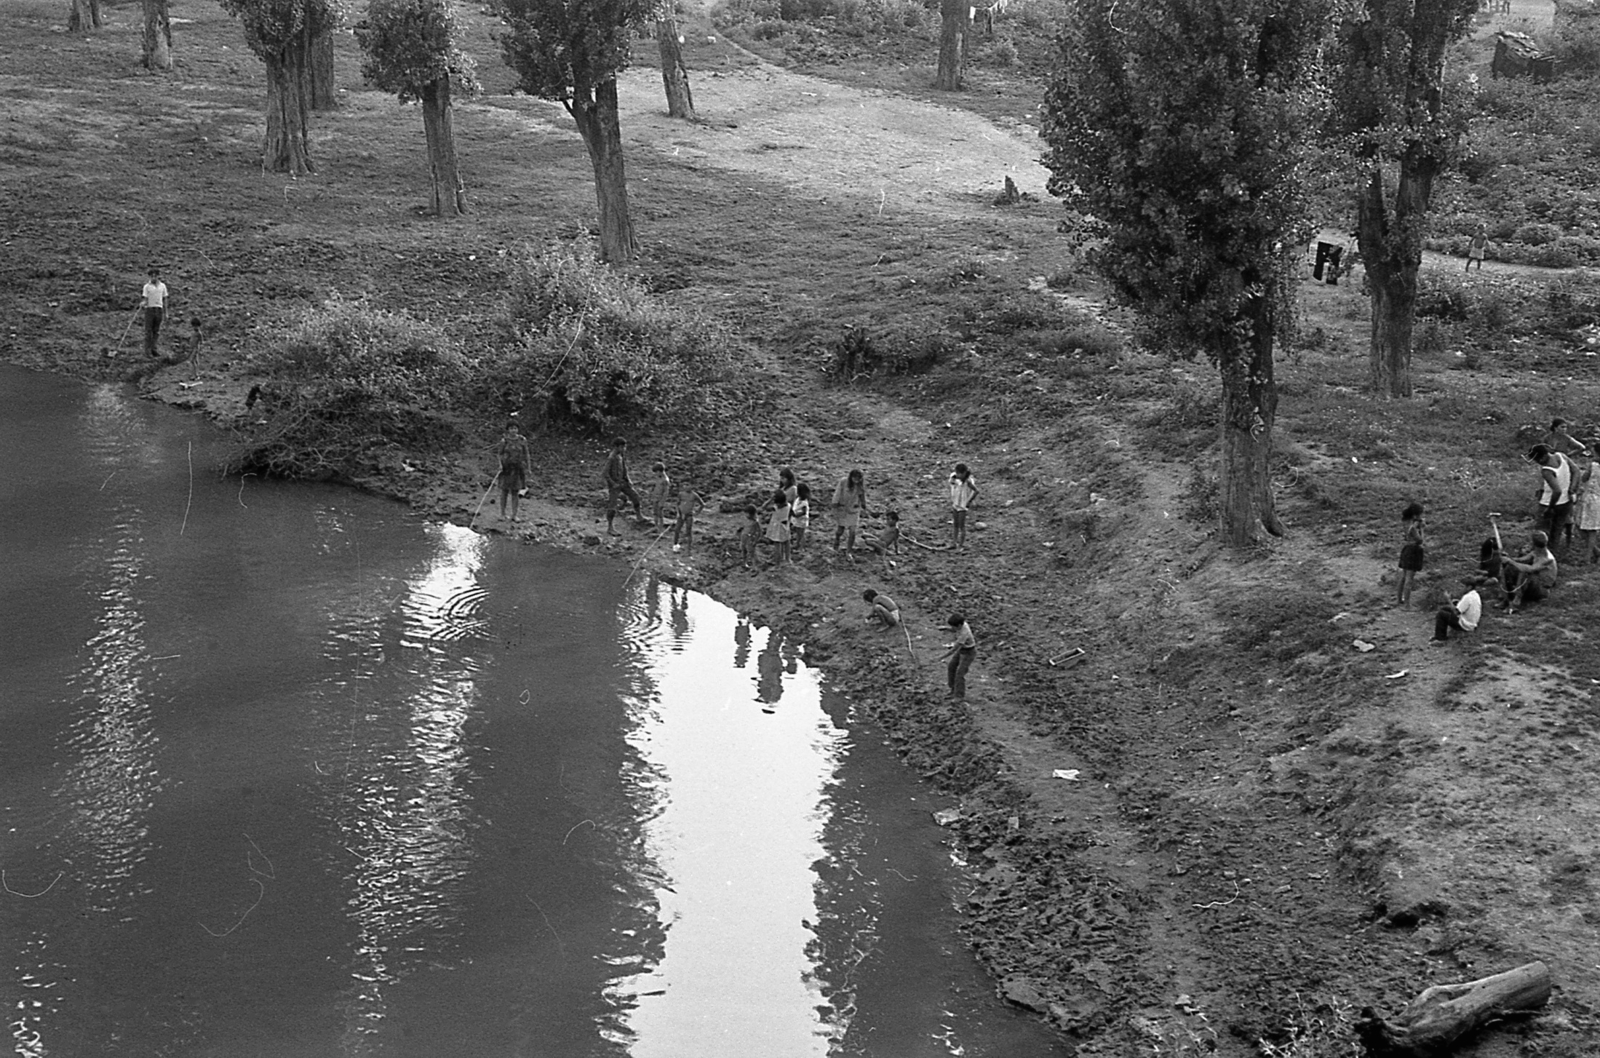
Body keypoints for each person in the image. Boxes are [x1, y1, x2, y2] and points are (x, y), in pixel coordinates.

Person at [1500, 530, 1558, 613]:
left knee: (1526, 572)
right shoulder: (1535, 552)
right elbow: (1521, 560)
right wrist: (1508, 558)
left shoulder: (1547, 559)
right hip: (1533, 585)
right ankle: (1507, 598)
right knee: (1510, 568)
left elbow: (1531, 569)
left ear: (1534, 544)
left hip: (1541, 590)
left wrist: (1510, 561)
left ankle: (1515, 603)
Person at [1530, 444, 1575, 551]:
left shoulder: (1547, 470)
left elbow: (1557, 491)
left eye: (1538, 459)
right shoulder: (1562, 456)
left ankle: (1538, 555)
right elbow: (1576, 471)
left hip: (1548, 503)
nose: (1538, 462)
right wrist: (1572, 489)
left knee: (1541, 531)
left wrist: (1550, 508)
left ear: (1544, 456)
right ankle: (1552, 554)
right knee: (1557, 530)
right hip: (1566, 502)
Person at [603, 438, 644, 535]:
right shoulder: (611, 458)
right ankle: (610, 527)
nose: (624, 449)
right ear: (617, 447)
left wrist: (628, 479)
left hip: (623, 482)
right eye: (622, 447)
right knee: (612, 505)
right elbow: (605, 473)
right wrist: (613, 484)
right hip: (615, 485)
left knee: (635, 496)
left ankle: (639, 515)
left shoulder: (620, 455)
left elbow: (624, 468)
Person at [831, 469, 871, 559]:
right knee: (840, 530)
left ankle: (849, 551)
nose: (857, 480)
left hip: (853, 510)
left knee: (852, 531)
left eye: (859, 479)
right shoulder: (843, 482)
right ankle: (836, 541)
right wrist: (835, 504)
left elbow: (862, 497)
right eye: (855, 478)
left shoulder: (860, 486)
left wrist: (865, 508)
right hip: (842, 508)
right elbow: (837, 493)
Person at [1432, 578, 1485, 643]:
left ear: (1469, 587)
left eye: (1463, 586)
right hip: (1471, 622)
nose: (1461, 588)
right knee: (1445, 609)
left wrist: (1448, 600)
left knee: (1441, 614)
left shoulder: (1467, 597)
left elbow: (1456, 612)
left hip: (1465, 624)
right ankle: (1440, 634)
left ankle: (1440, 638)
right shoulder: (1475, 595)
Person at [496, 422, 531, 522]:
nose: (513, 430)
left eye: (515, 428)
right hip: (506, 469)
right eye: (511, 428)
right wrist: (500, 465)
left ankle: (514, 515)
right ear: (508, 430)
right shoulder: (504, 441)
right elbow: (499, 454)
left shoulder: (522, 440)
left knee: (515, 492)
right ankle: (502, 514)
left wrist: (528, 467)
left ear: (518, 429)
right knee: (504, 491)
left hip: (518, 469)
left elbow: (526, 454)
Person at [943, 613, 977, 700]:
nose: (953, 628)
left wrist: (942, 657)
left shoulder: (964, 634)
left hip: (968, 652)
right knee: (951, 667)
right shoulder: (962, 624)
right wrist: (946, 628)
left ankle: (959, 696)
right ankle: (953, 690)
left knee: (960, 674)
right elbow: (955, 629)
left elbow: (954, 649)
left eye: (954, 626)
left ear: (959, 625)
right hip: (962, 650)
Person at [1396, 502, 1425, 605]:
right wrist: (1421, 529)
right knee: (1409, 578)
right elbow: (1420, 540)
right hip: (1414, 550)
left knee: (1403, 576)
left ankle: (1399, 599)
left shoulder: (1405, 522)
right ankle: (1407, 604)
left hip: (1406, 548)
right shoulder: (1413, 526)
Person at [1578, 444, 1600, 564]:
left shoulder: (1593, 465)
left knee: (1586, 528)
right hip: (1597, 498)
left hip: (1590, 498)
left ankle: (1588, 557)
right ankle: (1595, 552)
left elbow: (1584, 478)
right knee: (1591, 528)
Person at [950, 463, 979, 550]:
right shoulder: (956, 479)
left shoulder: (968, 482)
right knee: (955, 524)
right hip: (955, 504)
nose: (958, 475)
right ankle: (954, 543)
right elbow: (952, 482)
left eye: (960, 474)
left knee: (961, 526)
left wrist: (969, 501)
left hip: (962, 506)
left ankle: (961, 545)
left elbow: (976, 491)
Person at [141, 266, 169, 358]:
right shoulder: (146, 287)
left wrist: (166, 312)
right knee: (148, 331)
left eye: (155, 276)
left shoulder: (163, 286)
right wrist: (143, 303)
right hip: (150, 309)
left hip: (159, 309)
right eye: (151, 276)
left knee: (156, 331)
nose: (153, 278)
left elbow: (165, 299)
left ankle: (154, 349)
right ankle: (147, 351)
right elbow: (145, 298)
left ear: (158, 276)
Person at [672, 481, 705, 554]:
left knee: (688, 531)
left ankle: (688, 549)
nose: (686, 487)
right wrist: (678, 512)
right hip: (681, 515)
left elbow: (702, 504)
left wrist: (697, 513)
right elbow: (677, 504)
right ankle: (675, 546)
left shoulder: (694, 495)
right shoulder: (681, 494)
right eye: (684, 485)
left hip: (689, 515)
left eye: (688, 485)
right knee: (677, 529)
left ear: (691, 486)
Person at [764, 488, 792, 566]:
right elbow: (791, 514)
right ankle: (787, 558)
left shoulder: (776, 508)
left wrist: (770, 499)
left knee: (777, 545)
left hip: (777, 527)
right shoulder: (788, 505)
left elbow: (764, 507)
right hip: (785, 525)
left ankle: (777, 563)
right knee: (787, 541)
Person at [649, 462, 672, 530]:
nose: (655, 474)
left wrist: (662, 501)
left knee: (660, 513)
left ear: (660, 471)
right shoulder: (658, 478)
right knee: (655, 512)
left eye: (656, 472)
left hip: (660, 498)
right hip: (655, 497)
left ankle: (661, 526)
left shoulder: (665, 480)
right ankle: (656, 526)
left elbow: (666, 492)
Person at [791, 483, 812, 553]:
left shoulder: (804, 502)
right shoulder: (798, 499)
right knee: (798, 533)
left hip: (801, 520)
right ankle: (797, 544)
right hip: (797, 519)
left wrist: (796, 515)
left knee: (801, 534)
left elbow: (804, 512)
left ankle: (801, 547)